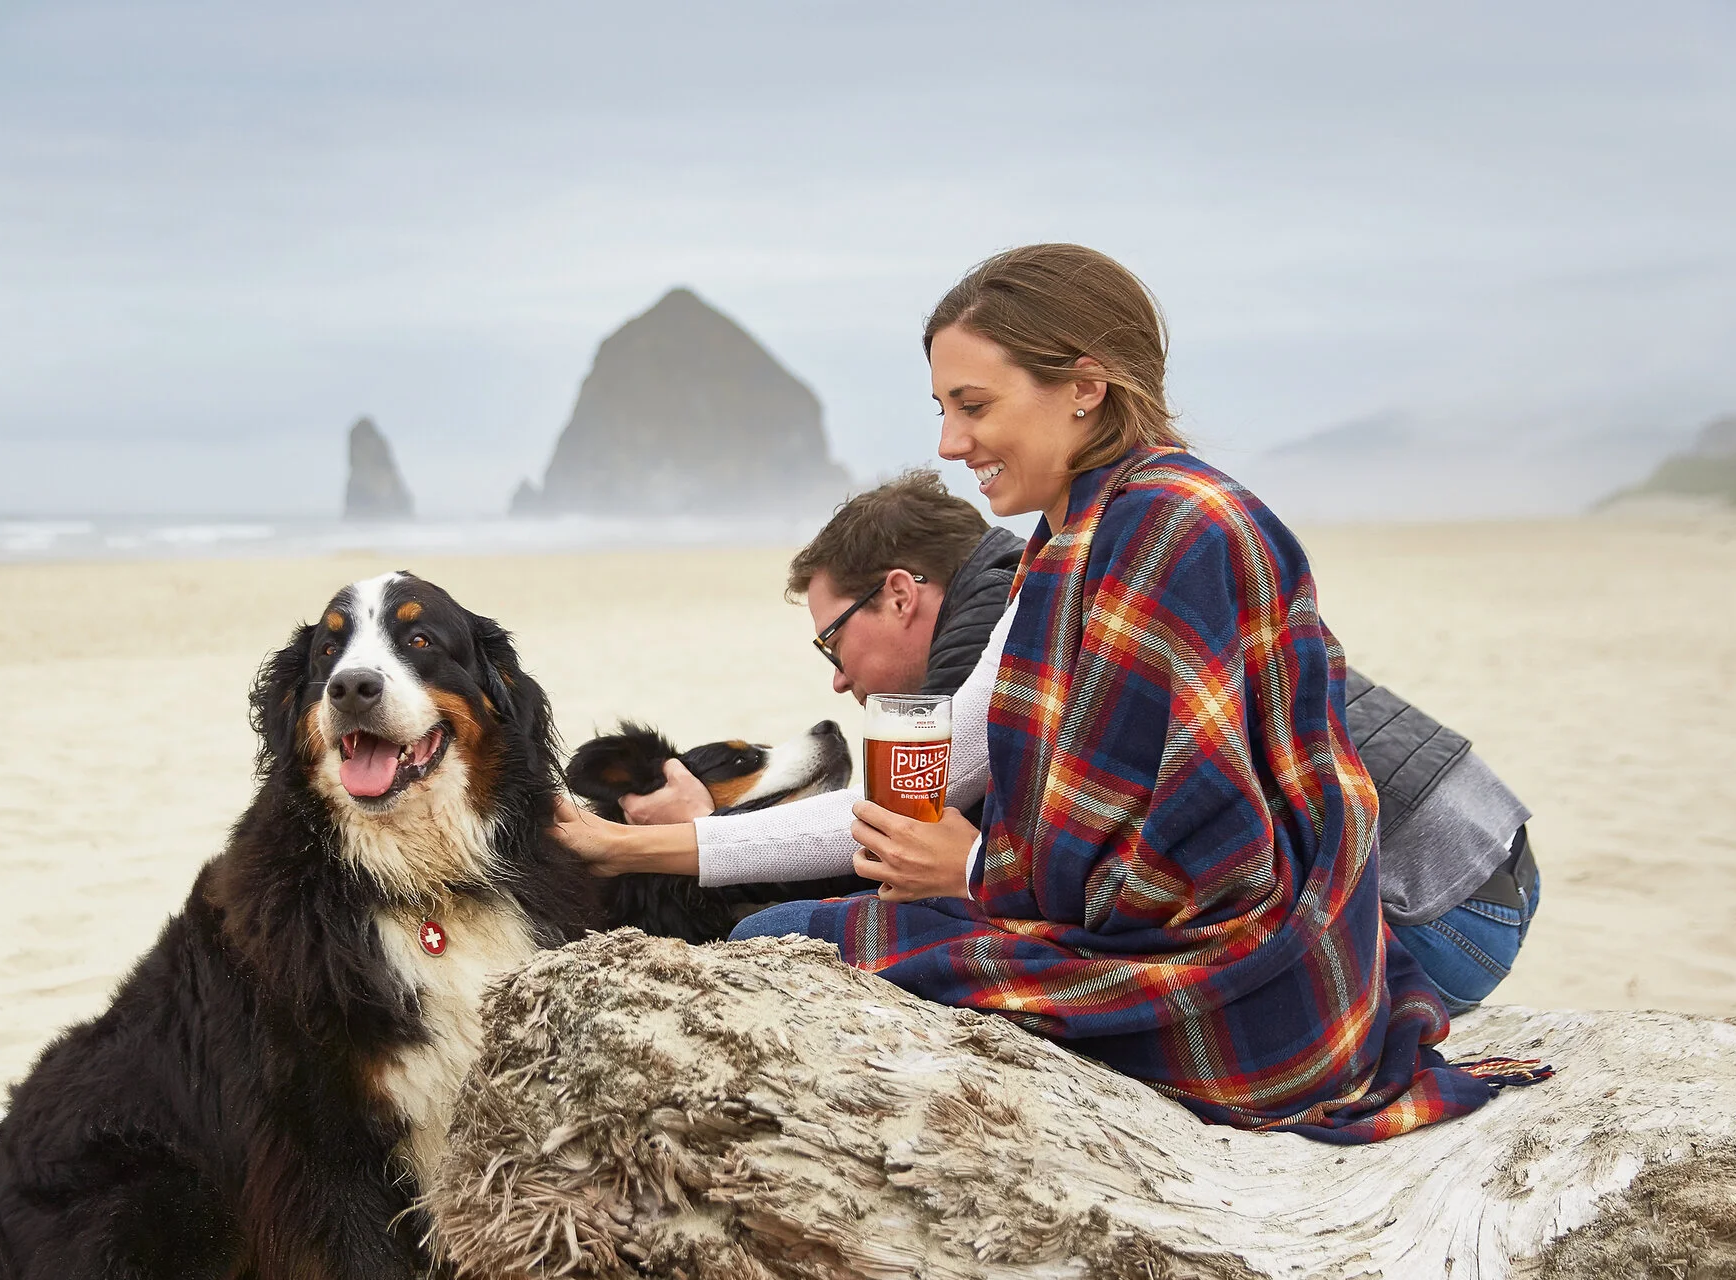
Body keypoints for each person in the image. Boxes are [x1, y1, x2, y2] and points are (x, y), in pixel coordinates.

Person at [551, 244, 1545, 1140]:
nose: (951, 443)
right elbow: (943, 779)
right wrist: (625, 846)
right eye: (941, 409)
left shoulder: (1170, 531)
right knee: (787, 937)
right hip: (1269, 908)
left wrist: (975, 868)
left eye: (974, 406)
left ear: (1084, 388)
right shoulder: (1071, 542)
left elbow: (1206, 869)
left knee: (788, 944)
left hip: (1378, 920)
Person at [617, 469, 1540, 1012]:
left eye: (832, 640)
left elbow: (884, 840)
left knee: (788, 940)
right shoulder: (1031, 580)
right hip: (1476, 862)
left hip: (1430, 910)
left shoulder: (1015, 618)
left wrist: (661, 844)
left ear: (899, 594)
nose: (837, 677)